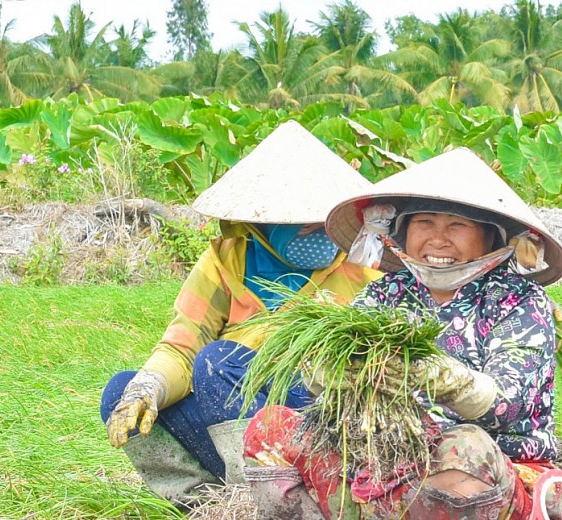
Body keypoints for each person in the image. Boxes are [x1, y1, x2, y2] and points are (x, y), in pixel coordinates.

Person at [240, 147, 562, 519]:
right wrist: (331, 373)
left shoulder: (519, 301)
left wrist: (444, 379)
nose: (438, 239)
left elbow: (508, 407)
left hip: (492, 466)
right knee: (271, 428)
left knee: (463, 447)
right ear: (402, 231)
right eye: (425, 223)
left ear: (491, 239)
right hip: (384, 456)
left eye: (457, 226)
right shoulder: (386, 293)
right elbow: (331, 372)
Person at [99, 120, 382, 508]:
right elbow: (183, 347)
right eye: (305, 225)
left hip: (318, 421)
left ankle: (268, 502)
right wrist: (148, 388)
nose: (320, 233)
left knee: (219, 361)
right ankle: (206, 505)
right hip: (233, 420)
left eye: (325, 223)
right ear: (261, 223)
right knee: (122, 393)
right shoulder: (223, 262)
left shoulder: (363, 268)